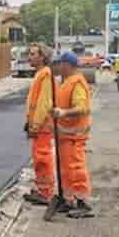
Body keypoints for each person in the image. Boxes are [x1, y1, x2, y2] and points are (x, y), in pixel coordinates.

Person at [52, 51, 93, 218]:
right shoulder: (66, 82)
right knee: (67, 170)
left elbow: (81, 108)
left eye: (60, 64)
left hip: (74, 136)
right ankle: (69, 200)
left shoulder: (76, 83)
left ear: (67, 65)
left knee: (76, 169)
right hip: (66, 136)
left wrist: (62, 113)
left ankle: (82, 202)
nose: (58, 67)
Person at [23, 44, 55, 206]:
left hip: (42, 126)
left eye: (33, 54)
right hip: (38, 124)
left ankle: (46, 193)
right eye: (29, 53)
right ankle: (42, 189)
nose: (29, 57)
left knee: (43, 158)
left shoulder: (45, 75)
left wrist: (35, 125)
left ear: (42, 57)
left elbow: (44, 103)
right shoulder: (41, 74)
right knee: (38, 158)